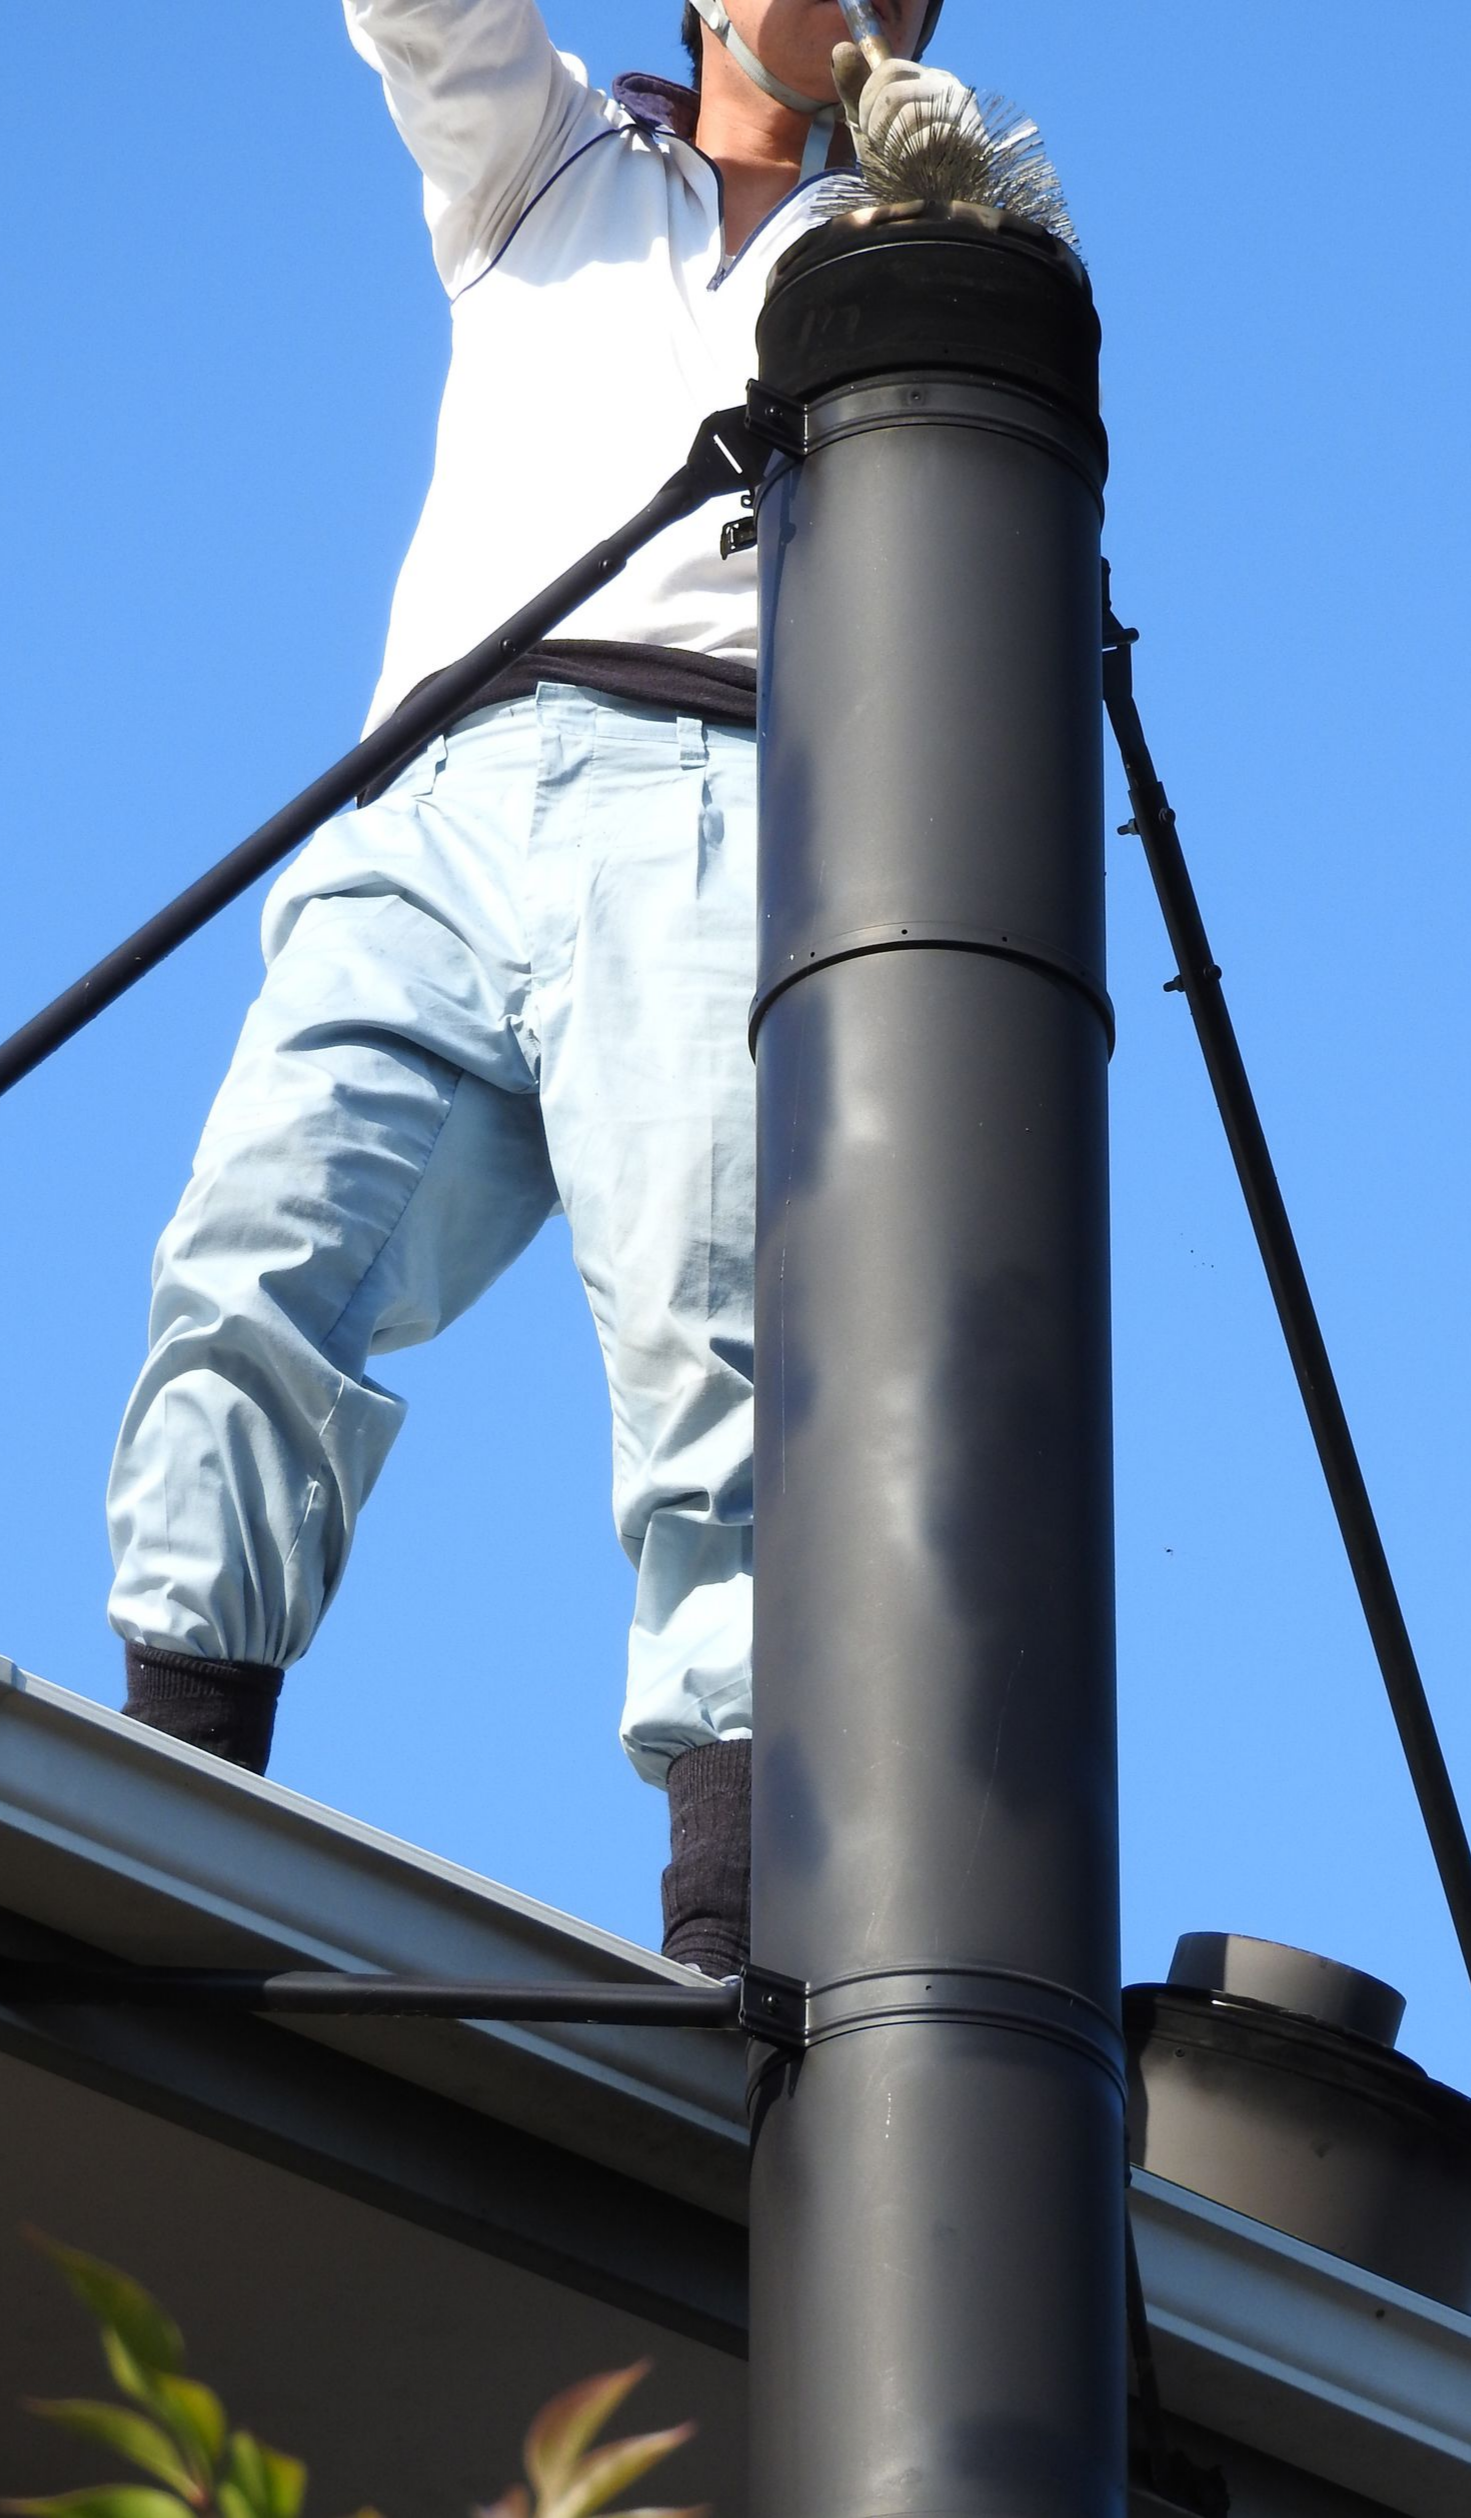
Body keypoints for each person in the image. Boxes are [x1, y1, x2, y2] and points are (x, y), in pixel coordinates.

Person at [104, 0, 960, 1980]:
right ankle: (175, 1772)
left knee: (718, 1334)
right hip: (435, 791)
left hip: (721, 795)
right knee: (253, 1248)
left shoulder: (910, 242)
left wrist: (937, 214)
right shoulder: (545, 160)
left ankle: (732, 1915)